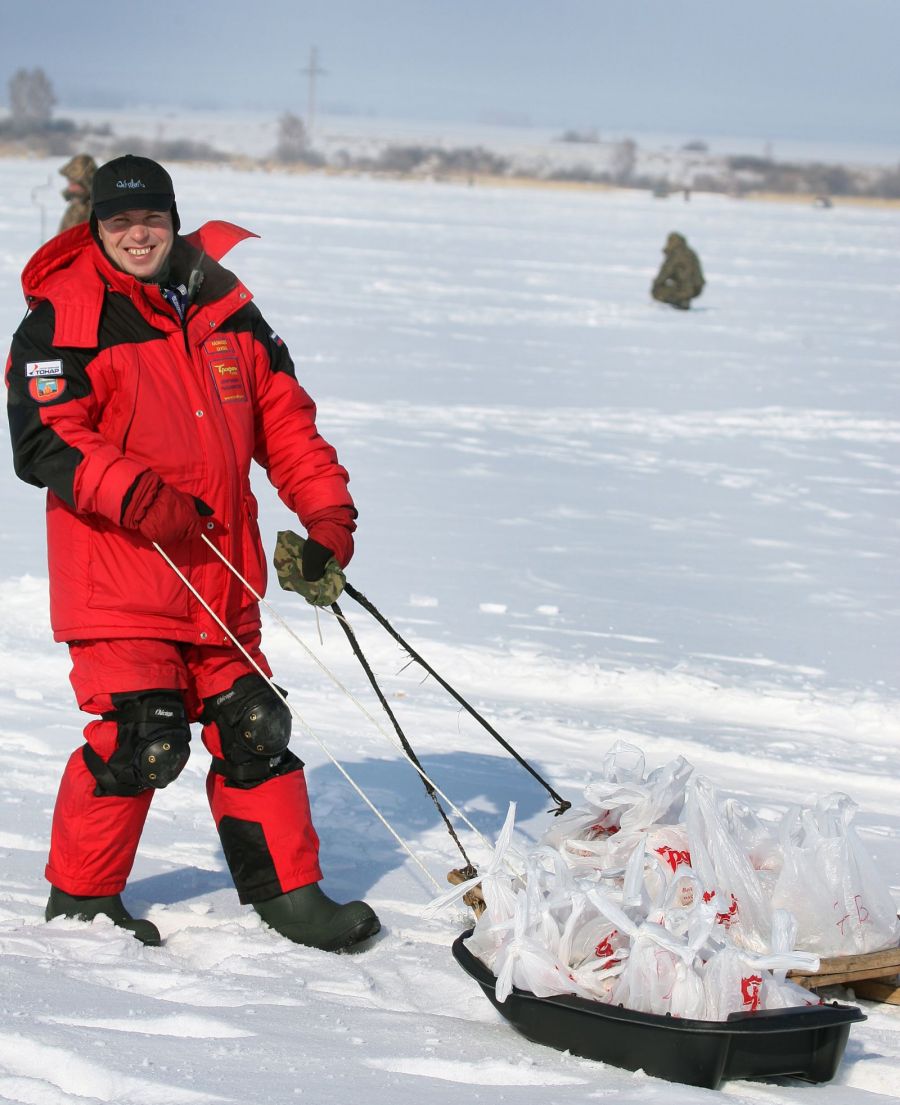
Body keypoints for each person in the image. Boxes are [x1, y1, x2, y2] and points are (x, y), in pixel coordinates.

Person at [5, 154, 380, 952]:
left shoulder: (228, 309)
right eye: (119, 223)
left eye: (151, 220)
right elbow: (44, 439)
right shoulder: (61, 320)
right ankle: (82, 900)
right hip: (120, 574)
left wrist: (327, 525)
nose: (137, 235)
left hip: (220, 574)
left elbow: (289, 428)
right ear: (96, 227)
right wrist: (138, 494)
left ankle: (289, 895)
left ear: (173, 221)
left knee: (255, 728)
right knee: (143, 736)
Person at [651, 231, 705, 310]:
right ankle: (682, 299)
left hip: (684, 288)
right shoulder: (690, 252)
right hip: (696, 288)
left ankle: (677, 299)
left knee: (658, 290)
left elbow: (666, 271)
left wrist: (656, 284)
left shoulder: (676, 253)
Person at [57, 153, 98, 233]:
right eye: (69, 182)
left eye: (74, 183)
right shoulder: (76, 206)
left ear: (86, 184)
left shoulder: (96, 210)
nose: (70, 188)